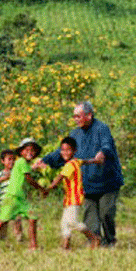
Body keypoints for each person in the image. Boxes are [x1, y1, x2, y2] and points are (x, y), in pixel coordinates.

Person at [38, 101, 124, 247]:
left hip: (107, 182)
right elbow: (63, 152)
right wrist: (45, 160)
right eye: (74, 116)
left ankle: (110, 241)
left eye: (78, 116)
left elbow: (107, 145)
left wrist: (102, 153)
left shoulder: (102, 128)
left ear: (89, 115)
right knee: (90, 217)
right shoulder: (75, 133)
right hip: (86, 184)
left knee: (106, 213)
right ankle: (95, 241)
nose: (75, 119)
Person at [0, 138, 48, 249]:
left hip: (20, 198)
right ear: (21, 152)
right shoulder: (21, 162)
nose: (30, 152)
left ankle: (33, 247)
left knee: (33, 217)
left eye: (32, 150)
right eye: (27, 150)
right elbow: (29, 179)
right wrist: (42, 189)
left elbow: (27, 173)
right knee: (3, 220)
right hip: (12, 197)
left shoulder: (25, 164)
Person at [42, 136, 101, 250]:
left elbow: (60, 177)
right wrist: (95, 160)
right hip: (69, 198)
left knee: (73, 222)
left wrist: (48, 189)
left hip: (74, 198)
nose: (65, 152)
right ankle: (65, 246)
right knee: (64, 223)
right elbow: (84, 161)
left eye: (68, 150)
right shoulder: (75, 161)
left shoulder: (69, 165)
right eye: (63, 150)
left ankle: (94, 238)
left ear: (74, 151)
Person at [0, 149, 23, 241]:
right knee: (4, 221)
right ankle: (3, 238)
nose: (12, 161)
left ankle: (19, 238)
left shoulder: (17, 172)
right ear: (2, 161)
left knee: (17, 220)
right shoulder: (0, 174)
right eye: (9, 159)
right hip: (5, 200)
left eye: (13, 159)